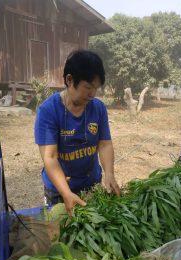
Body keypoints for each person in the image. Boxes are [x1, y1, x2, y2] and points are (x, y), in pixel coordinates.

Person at [34, 50, 120, 215]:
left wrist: (109, 173)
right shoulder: (48, 111)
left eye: (96, 88)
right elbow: (50, 157)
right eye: (88, 87)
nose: (92, 94)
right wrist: (66, 193)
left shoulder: (98, 108)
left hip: (91, 182)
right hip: (60, 188)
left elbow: (104, 144)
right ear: (69, 80)